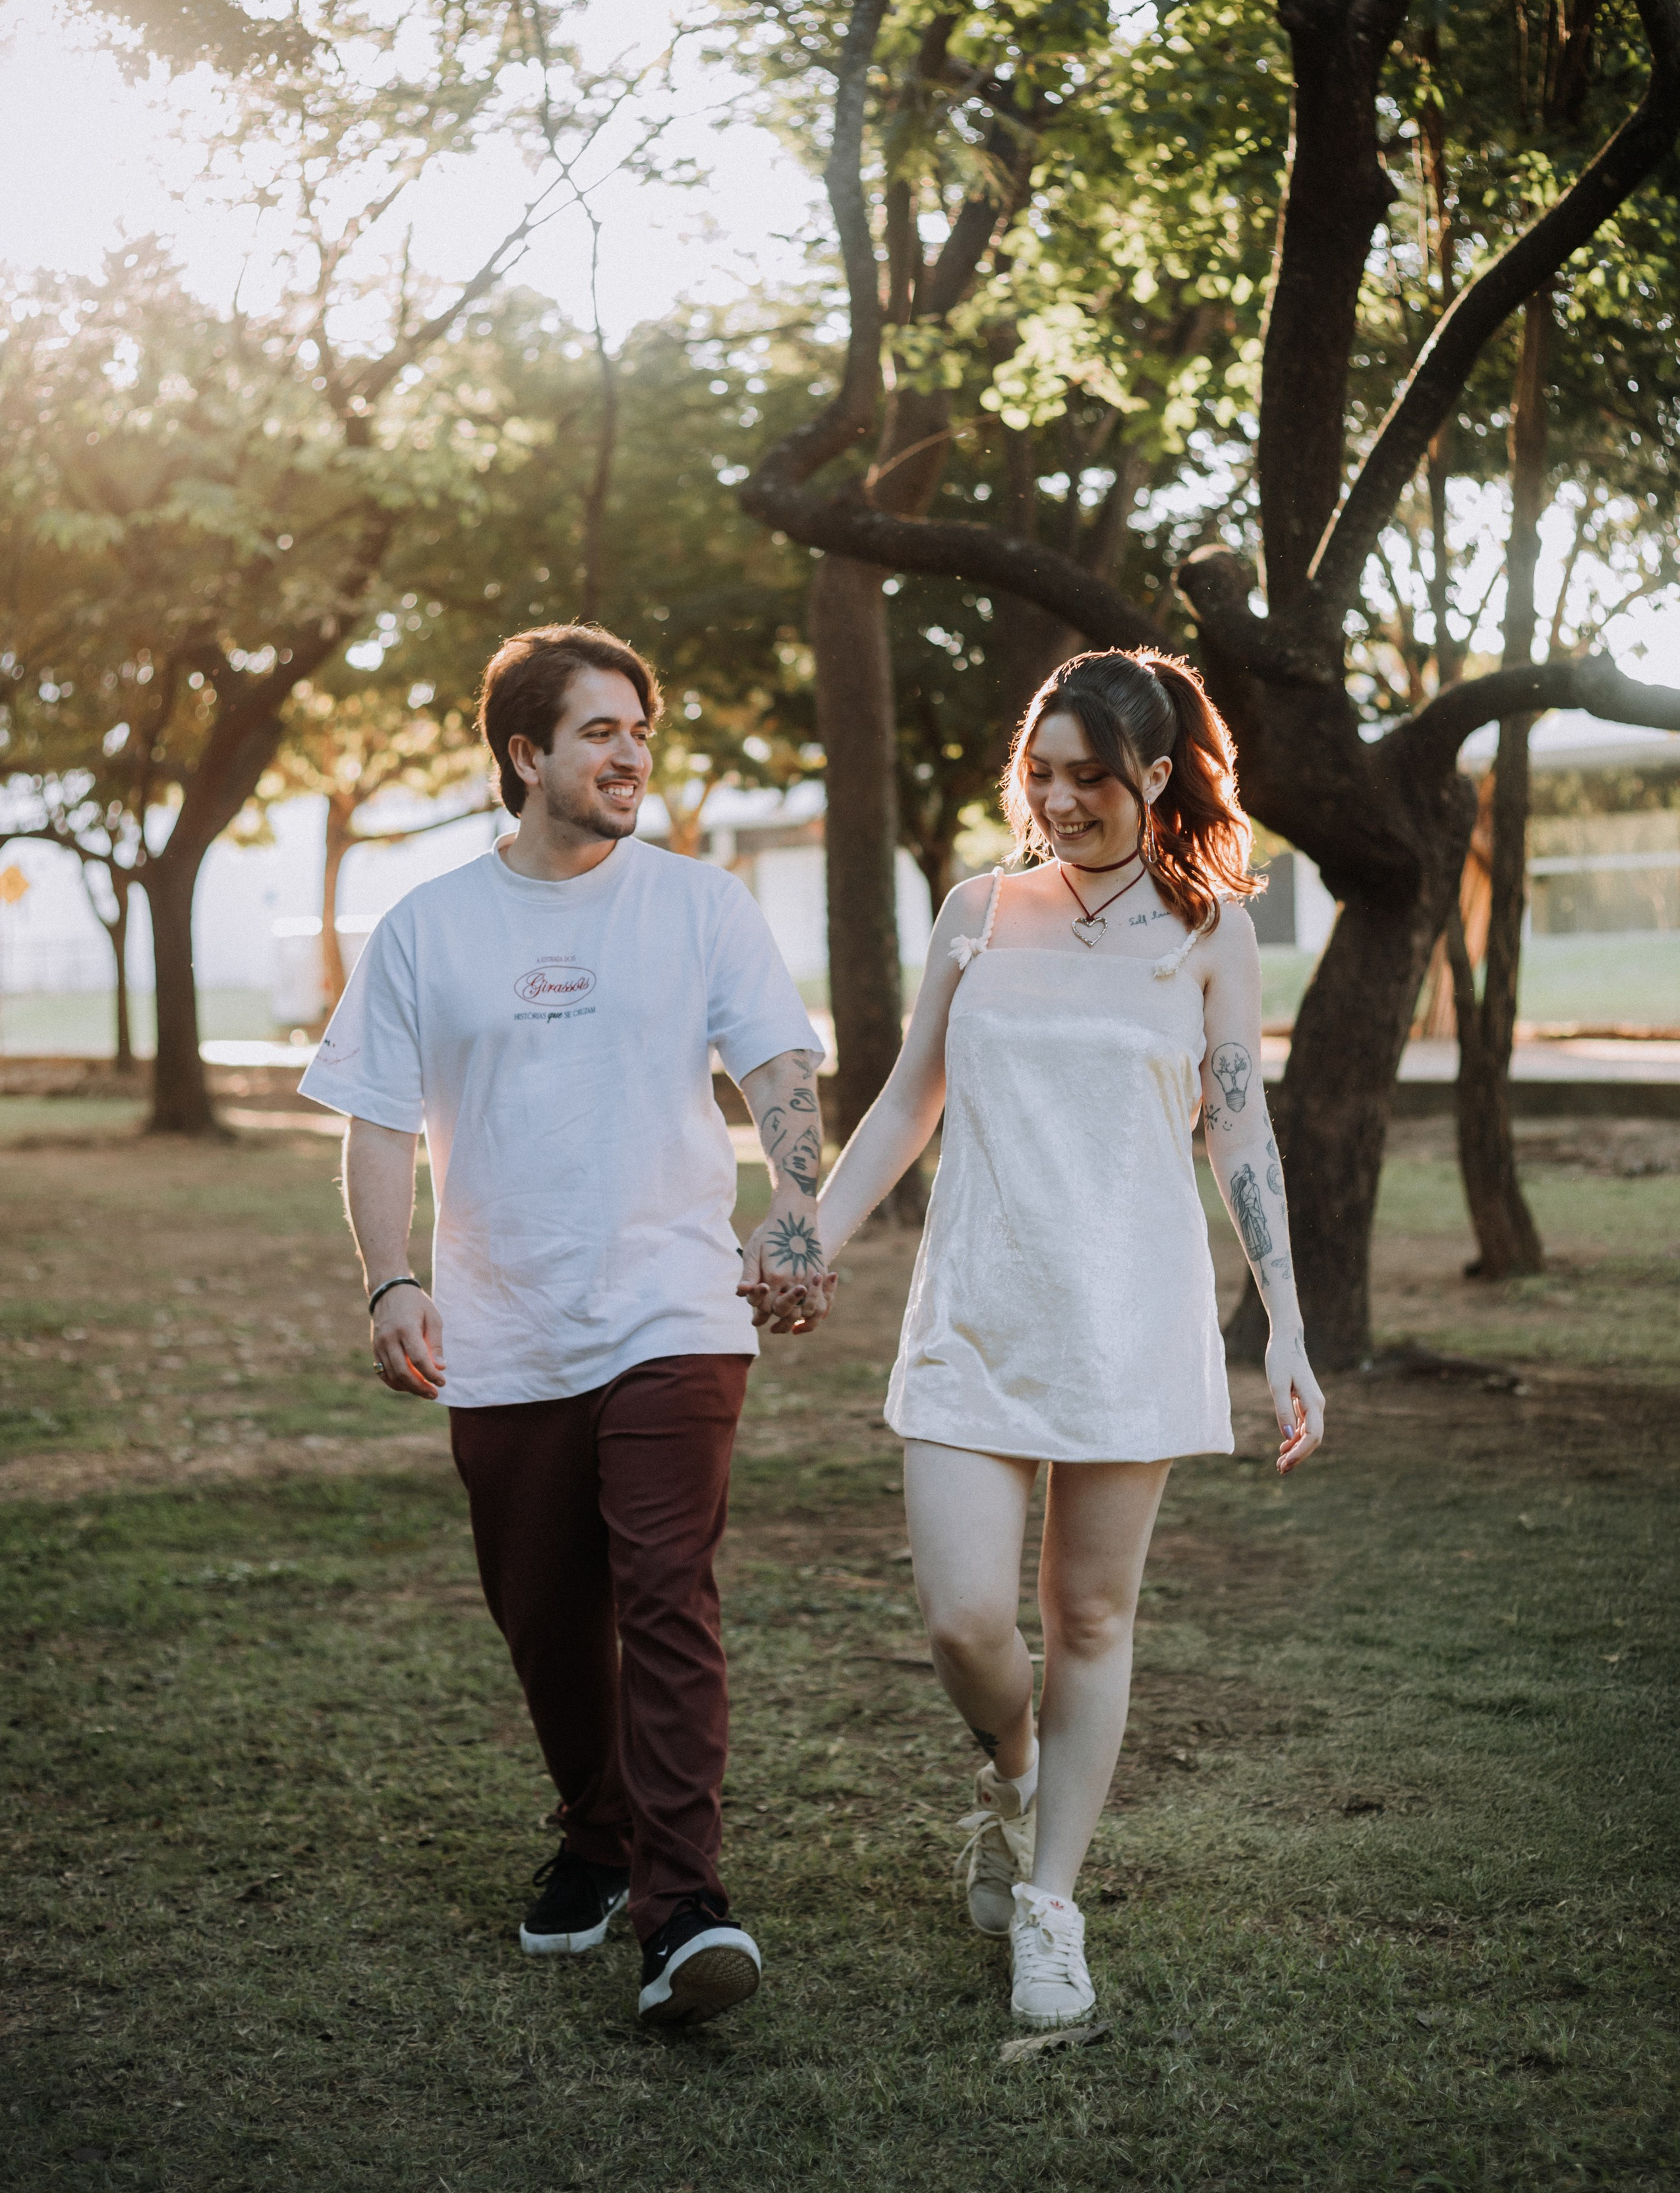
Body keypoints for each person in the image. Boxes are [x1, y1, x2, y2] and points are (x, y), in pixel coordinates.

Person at [299, 622, 834, 2028]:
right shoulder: (427, 929)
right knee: (545, 1612)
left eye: (641, 732)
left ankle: (683, 1909)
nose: (632, 755)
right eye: (601, 731)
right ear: (526, 754)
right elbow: (372, 1122)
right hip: (505, 1319)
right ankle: (595, 1836)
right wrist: (389, 1276)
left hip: (673, 1302)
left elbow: (776, 1059)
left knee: (667, 1593)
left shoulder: (698, 905)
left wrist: (792, 1202)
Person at [809, 649, 1324, 2030]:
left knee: (1088, 1615)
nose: (1054, 802)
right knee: (964, 1617)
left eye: (1084, 779)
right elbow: (906, 1095)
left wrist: (1280, 1323)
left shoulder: (1208, 932)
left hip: (1130, 1323)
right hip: (974, 1311)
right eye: (1037, 776)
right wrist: (808, 1231)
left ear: (1155, 776)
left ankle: (1050, 1902)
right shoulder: (976, 909)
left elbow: (1239, 1130)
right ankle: (1011, 1767)